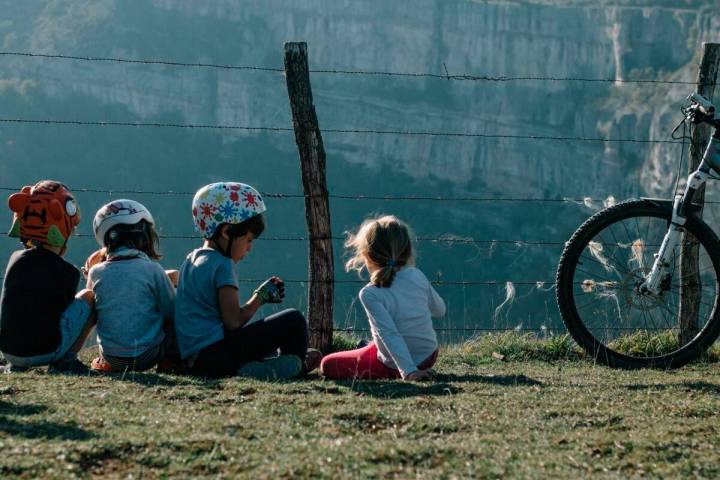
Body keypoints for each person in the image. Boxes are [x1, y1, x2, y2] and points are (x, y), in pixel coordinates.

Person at [174, 182, 321, 379]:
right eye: (248, 240)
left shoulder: (191, 260)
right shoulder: (222, 264)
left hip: (195, 361)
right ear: (227, 232)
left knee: (261, 344)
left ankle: (262, 366)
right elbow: (233, 322)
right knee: (293, 320)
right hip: (217, 357)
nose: (249, 248)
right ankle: (296, 366)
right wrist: (260, 297)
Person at [320, 215, 444, 381]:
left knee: (327, 364)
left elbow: (389, 334)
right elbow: (440, 310)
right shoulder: (417, 275)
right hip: (428, 355)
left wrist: (409, 371)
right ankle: (370, 347)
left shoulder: (370, 293)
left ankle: (373, 351)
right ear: (407, 251)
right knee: (372, 346)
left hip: (398, 364)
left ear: (367, 256)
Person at [0, 180, 96, 373]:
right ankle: (66, 361)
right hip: (45, 352)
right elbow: (60, 315)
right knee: (88, 297)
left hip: (9, 352)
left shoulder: (14, 259)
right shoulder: (68, 272)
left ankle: (16, 365)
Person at [85, 199, 179, 373]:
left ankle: (102, 362)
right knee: (178, 312)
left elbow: (95, 312)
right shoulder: (153, 269)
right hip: (148, 356)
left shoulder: (96, 272)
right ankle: (169, 363)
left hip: (112, 358)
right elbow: (171, 312)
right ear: (145, 237)